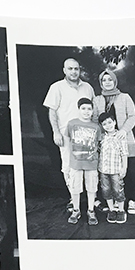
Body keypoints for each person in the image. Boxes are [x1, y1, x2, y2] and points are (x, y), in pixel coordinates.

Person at [43, 58, 95, 209]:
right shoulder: (56, 87)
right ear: (64, 70)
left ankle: (92, 199)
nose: (74, 71)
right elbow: (52, 111)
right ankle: (74, 198)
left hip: (86, 134)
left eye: (76, 68)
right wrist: (56, 132)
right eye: (70, 68)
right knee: (68, 167)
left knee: (88, 167)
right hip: (66, 134)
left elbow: (94, 110)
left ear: (80, 70)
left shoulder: (87, 87)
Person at [92, 69, 135, 214]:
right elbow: (95, 120)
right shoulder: (97, 100)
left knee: (126, 171)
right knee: (106, 172)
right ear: (101, 83)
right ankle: (111, 201)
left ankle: (131, 200)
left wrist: (123, 130)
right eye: (104, 80)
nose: (107, 82)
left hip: (123, 138)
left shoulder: (125, 97)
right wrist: (100, 137)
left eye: (110, 79)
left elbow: (132, 116)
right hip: (106, 141)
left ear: (115, 81)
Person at [66, 98, 102, 225]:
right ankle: (76, 210)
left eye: (89, 109)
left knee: (92, 187)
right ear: (78, 109)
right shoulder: (72, 124)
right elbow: (67, 142)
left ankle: (91, 210)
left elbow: (98, 144)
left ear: (92, 111)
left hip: (91, 163)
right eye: (83, 108)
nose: (86, 111)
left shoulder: (96, 127)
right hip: (76, 162)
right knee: (75, 187)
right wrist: (68, 160)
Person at [98, 112, 129, 224]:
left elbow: (124, 153)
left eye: (110, 122)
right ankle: (111, 210)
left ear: (115, 122)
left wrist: (124, 168)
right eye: (104, 124)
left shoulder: (120, 136)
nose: (108, 125)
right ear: (102, 126)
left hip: (116, 170)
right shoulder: (102, 137)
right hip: (103, 170)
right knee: (106, 190)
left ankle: (121, 210)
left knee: (118, 190)